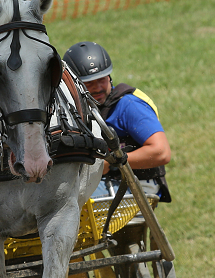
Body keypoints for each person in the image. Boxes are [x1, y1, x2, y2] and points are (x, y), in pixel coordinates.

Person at [63, 41, 172, 203]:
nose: (98, 87)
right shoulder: (74, 110)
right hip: (104, 182)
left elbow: (161, 152)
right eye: (89, 83)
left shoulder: (129, 105)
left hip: (138, 186)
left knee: (64, 202)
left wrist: (111, 162)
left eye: (102, 79)